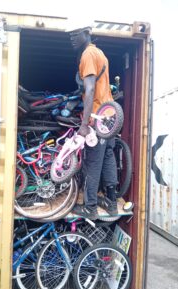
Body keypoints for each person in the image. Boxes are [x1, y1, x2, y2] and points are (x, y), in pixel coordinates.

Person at [66, 20, 118, 220]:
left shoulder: (88, 55)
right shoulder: (100, 53)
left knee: (92, 162)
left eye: (75, 33)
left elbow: (89, 90)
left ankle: (90, 207)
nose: (71, 38)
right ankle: (111, 203)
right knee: (107, 158)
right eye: (69, 35)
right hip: (110, 118)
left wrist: (84, 124)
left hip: (97, 117)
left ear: (86, 32)